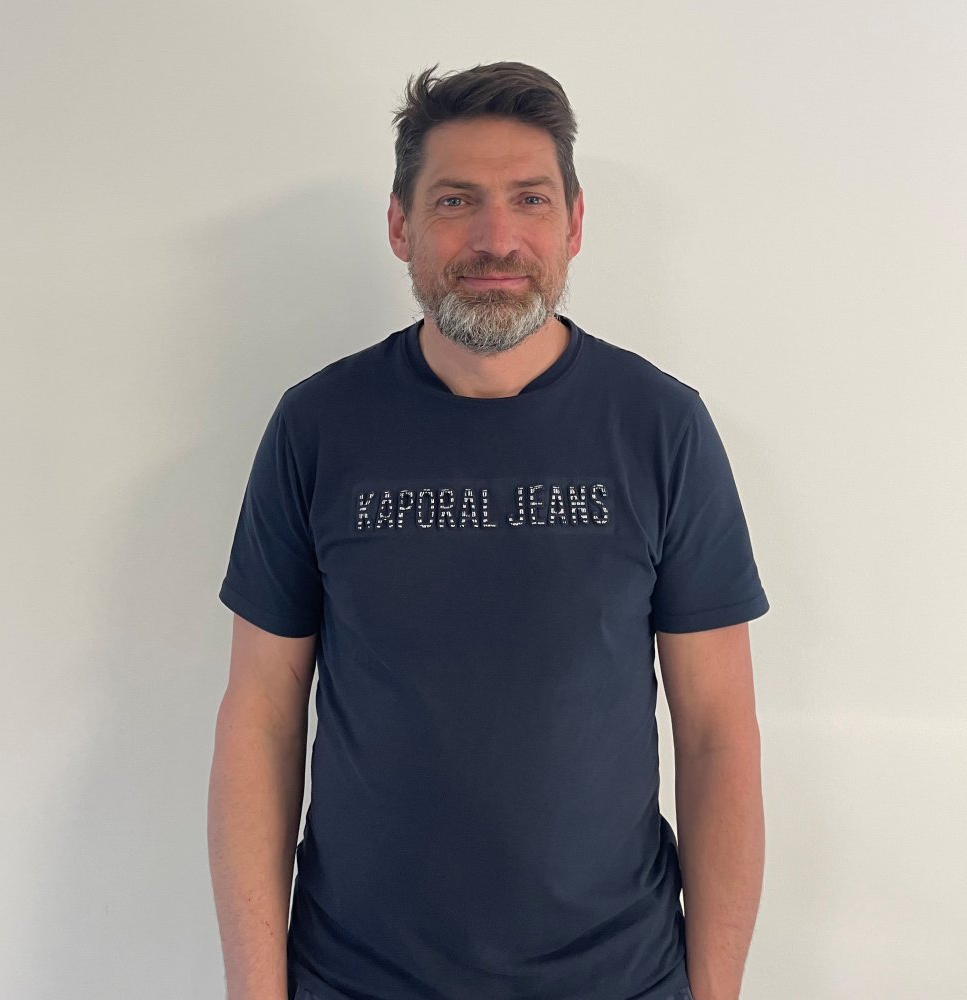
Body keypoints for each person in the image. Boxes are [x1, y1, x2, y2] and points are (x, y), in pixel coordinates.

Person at [208, 61, 769, 1000]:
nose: (496, 238)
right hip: (354, 978)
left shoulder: (661, 428)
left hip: (618, 978)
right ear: (401, 225)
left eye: (529, 200)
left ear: (574, 224)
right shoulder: (318, 427)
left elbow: (717, 735)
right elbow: (261, 718)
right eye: (456, 200)